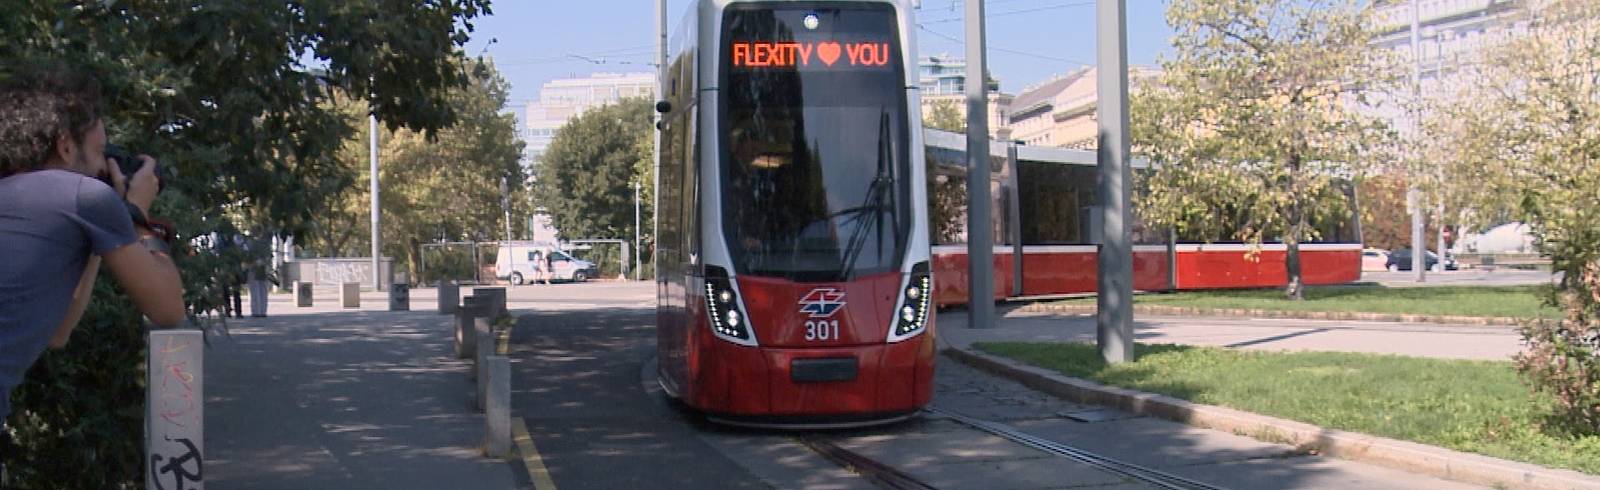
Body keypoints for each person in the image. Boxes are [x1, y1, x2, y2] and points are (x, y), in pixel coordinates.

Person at [0, 64, 186, 435]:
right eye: (101, 152)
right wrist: (135, 216)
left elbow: (58, 332)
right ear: (66, 145)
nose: (105, 167)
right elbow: (168, 308)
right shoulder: (84, 197)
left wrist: (103, 238)